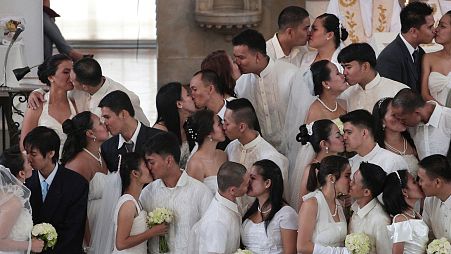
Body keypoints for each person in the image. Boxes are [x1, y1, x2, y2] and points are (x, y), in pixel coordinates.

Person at [232, 28, 310, 153]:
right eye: (235, 57)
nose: (236, 62)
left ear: (257, 56)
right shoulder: (241, 84)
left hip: (295, 147)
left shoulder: (291, 75)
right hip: (263, 154)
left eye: (241, 57)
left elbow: (304, 114)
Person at [140, 132, 213, 254]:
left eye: (152, 162)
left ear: (169, 161)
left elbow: (209, 233)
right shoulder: (147, 193)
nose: (148, 167)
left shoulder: (200, 192)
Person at [28, 58, 150, 126]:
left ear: (84, 87)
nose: (69, 79)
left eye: (71, 77)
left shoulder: (127, 98)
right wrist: (37, 92)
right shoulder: (78, 87)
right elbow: (57, 89)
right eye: (67, 72)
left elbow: (143, 129)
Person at [23, 126, 89, 253]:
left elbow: (74, 230)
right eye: (27, 153)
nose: (28, 158)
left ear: (51, 153)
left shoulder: (77, 184)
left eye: (33, 154)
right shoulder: (25, 182)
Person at [223, 98, 289, 205]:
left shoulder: (271, 157)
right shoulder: (231, 147)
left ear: (242, 127)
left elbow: (279, 198)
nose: (223, 127)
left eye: (227, 123)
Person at [60, 111, 109, 247]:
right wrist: (89, 244)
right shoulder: (78, 163)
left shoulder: (101, 154)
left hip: (105, 224)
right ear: (90, 133)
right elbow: (76, 209)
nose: (104, 124)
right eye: (100, 123)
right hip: (90, 229)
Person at [20, 54, 77, 156]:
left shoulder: (76, 102)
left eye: (73, 72)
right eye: (66, 72)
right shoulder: (37, 105)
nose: (72, 76)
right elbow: (24, 146)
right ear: (51, 77)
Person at [188, 162, 249, 254]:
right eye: (247, 185)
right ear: (232, 190)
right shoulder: (216, 222)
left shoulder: (229, 203)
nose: (250, 185)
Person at [112, 153, 168, 254]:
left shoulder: (136, 200)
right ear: (135, 173)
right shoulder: (128, 204)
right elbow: (121, 244)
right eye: (145, 166)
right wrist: (152, 232)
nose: (150, 168)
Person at [297, 155, 351, 254]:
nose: (350, 181)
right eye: (347, 176)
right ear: (331, 178)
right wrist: (340, 252)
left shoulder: (339, 205)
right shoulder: (311, 204)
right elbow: (302, 246)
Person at [377, 2, 435, 92]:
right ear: (413, 31)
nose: (434, 31)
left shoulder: (420, 53)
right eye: (430, 27)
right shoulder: (390, 58)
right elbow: (390, 98)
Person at [241, 160, 297, 253]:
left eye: (253, 178)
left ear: (267, 183)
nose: (248, 182)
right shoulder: (248, 210)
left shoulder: (286, 214)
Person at [99, 90, 162, 172]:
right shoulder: (107, 148)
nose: (105, 123)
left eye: (107, 117)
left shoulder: (159, 139)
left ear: (123, 114)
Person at [338, 43, 408, 112]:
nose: (344, 72)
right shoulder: (346, 94)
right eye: (343, 67)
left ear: (365, 66)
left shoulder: (398, 91)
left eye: (348, 67)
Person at [293, 119, 345, 210]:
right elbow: (303, 207)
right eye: (338, 136)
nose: (343, 138)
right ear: (324, 144)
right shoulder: (313, 170)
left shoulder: (341, 163)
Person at [0, 147, 44, 253]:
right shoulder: (13, 202)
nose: (32, 164)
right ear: (22, 174)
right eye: (28, 162)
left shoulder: (7, 195)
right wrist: (30, 245)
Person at [340, 109, 408, 174]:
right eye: (344, 132)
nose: (344, 137)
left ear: (364, 133)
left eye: (349, 132)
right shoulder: (350, 164)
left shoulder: (393, 161)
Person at [391, 88, 451, 159]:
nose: (400, 122)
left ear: (417, 113)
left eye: (403, 119)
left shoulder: (448, 117)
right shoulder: (411, 126)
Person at [348, 162, 391, 254]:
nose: (350, 183)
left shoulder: (380, 220)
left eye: (354, 182)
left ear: (366, 192)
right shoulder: (355, 208)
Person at [384, 170, 428, 254]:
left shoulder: (415, 214)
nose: (419, 184)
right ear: (404, 191)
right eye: (414, 182)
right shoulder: (401, 220)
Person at [153, 82, 196, 168]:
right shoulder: (160, 132)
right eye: (188, 95)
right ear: (179, 104)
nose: (193, 97)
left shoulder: (188, 125)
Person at [373, 97, 419, 176]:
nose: (400, 117)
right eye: (394, 115)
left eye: (402, 112)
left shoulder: (414, 137)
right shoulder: (376, 147)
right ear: (382, 121)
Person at [186, 109, 227, 194]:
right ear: (208, 133)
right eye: (219, 124)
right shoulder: (196, 164)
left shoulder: (223, 155)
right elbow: (193, 198)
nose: (224, 127)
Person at [326, 0, 401, 44]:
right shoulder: (337, 1)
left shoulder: (390, 1)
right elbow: (329, 29)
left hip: (382, 57)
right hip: (349, 59)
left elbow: (397, 31)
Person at [421, 11, 451, 107]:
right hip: (435, 115)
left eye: (442, 26)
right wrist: (443, 113)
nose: (436, 30)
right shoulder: (428, 58)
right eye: (438, 25)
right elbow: (425, 94)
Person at [418, 154, 451, 241]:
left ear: (437, 182)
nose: (419, 183)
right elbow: (427, 234)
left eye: (421, 180)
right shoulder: (429, 201)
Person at [305, 60, 347, 124]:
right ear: (326, 84)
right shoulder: (315, 112)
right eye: (337, 73)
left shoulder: (344, 103)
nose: (343, 75)